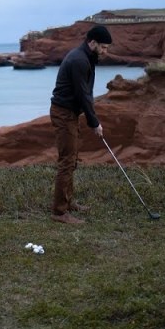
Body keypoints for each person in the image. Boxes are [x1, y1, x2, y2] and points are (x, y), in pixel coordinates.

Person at [48, 25, 114, 224]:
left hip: (70, 113)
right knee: (67, 161)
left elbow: (85, 94)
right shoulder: (79, 60)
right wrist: (94, 123)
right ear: (92, 43)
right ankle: (59, 212)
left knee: (72, 159)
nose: (105, 51)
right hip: (64, 113)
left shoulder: (86, 57)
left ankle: (68, 202)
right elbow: (83, 94)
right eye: (103, 47)